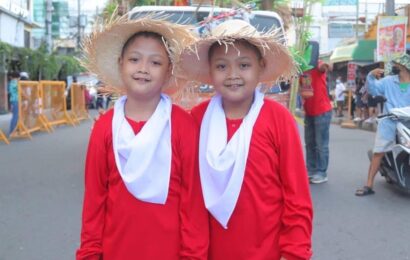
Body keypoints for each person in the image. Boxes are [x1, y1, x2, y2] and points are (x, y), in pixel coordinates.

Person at [178, 19, 313, 260]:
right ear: (210, 70)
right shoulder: (196, 120)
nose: (233, 75)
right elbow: (190, 198)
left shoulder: (278, 119)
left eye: (244, 65)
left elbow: (297, 197)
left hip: (267, 253)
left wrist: (294, 253)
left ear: (260, 67)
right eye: (221, 66)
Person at [76, 16, 209, 259]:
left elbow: (194, 204)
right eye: (134, 59)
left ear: (168, 69)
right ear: (121, 64)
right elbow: (94, 202)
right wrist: (89, 253)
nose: (143, 69)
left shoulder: (183, 126)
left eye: (155, 62)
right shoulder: (105, 128)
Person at [356, 53, 410, 196]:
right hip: (389, 122)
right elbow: (373, 90)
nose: (394, 66)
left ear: (404, 67)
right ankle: (368, 185)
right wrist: (371, 76)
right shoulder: (388, 81)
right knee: (379, 152)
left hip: (408, 123)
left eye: (396, 64)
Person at [302, 60, 333, 184]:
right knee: (309, 143)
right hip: (308, 112)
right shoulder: (300, 67)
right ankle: (311, 169)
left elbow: (324, 67)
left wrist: (326, 66)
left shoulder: (316, 63)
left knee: (321, 145)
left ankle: (322, 172)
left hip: (322, 111)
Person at [8, 71, 20, 136]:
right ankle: (12, 132)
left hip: (12, 100)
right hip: (16, 100)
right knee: (15, 116)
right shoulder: (16, 83)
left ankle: (14, 131)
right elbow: (20, 91)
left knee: (15, 116)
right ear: (17, 77)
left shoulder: (10, 83)